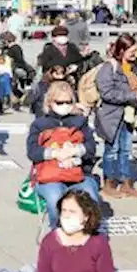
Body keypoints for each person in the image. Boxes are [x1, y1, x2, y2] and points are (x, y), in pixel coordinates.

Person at [27, 81, 100, 228]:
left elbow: (91, 148)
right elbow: (32, 151)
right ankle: (58, 235)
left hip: (79, 173)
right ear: (50, 102)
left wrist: (74, 152)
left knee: (91, 198)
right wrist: (55, 153)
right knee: (56, 200)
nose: (64, 105)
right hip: (50, 175)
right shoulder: (40, 124)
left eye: (68, 102)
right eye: (60, 102)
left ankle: (87, 236)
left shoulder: (80, 122)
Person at [94, 35, 137, 199]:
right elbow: (107, 93)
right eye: (132, 50)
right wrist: (133, 96)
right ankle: (109, 183)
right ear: (121, 50)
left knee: (126, 150)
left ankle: (126, 183)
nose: (135, 53)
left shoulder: (134, 66)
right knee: (111, 150)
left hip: (129, 115)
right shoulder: (109, 67)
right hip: (112, 115)